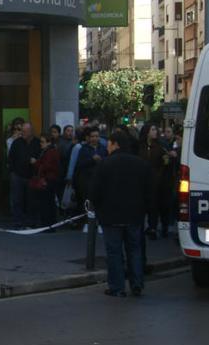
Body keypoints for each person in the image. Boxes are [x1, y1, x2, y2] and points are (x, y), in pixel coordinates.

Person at [88, 130, 151, 297]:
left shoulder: (105, 164)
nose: (106, 147)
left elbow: (94, 192)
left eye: (108, 143)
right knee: (134, 250)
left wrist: (97, 206)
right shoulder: (141, 164)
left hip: (111, 216)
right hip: (134, 215)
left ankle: (117, 287)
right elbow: (149, 191)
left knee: (114, 252)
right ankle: (137, 283)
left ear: (115, 144)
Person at [139, 124, 169, 240]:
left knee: (155, 205)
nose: (155, 131)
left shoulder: (161, 146)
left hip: (157, 181)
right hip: (143, 180)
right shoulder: (140, 146)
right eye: (152, 129)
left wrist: (167, 159)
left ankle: (153, 227)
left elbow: (165, 163)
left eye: (155, 129)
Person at [7, 122, 40, 227]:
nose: (22, 133)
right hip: (17, 175)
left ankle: (30, 221)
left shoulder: (37, 143)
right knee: (17, 200)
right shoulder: (16, 143)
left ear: (31, 132)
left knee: (31, 200)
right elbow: (10, 157)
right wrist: (12, 171)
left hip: (31, 176)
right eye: (22, 131)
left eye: (24, 131)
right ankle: (18, 221)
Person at [70, 127, 107, 217]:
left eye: (96, 136)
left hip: (100, 179)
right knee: (87, 202)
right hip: (87, 180)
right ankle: (87, 220)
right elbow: (79, 164)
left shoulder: (103, 148)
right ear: (89, 138)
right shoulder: (84, 149)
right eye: (92, 136)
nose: (95, 138)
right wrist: (92, 159)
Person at [33, 133, 61, 228]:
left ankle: (47, 224)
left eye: (42, 142)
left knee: (47, 203)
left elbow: (46, 166)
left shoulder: (50, 152)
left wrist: (36, 163)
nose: (40, 144)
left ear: (48, 142)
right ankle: (48, 224)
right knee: (48, 203)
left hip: (48, 180)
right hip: (49, 179)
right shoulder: (49, 151)